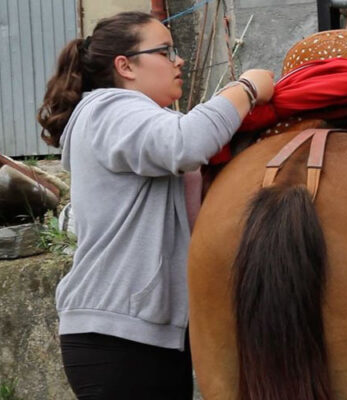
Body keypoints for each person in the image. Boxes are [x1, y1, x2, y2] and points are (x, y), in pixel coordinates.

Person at [37, 11, 274, 399]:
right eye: (166, 51)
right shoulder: (110, 109)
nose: (178, 60)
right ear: (125, 66)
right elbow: (187, 143)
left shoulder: (141, 118)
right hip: (115, 340)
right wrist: (247, 86)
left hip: (144, 336)